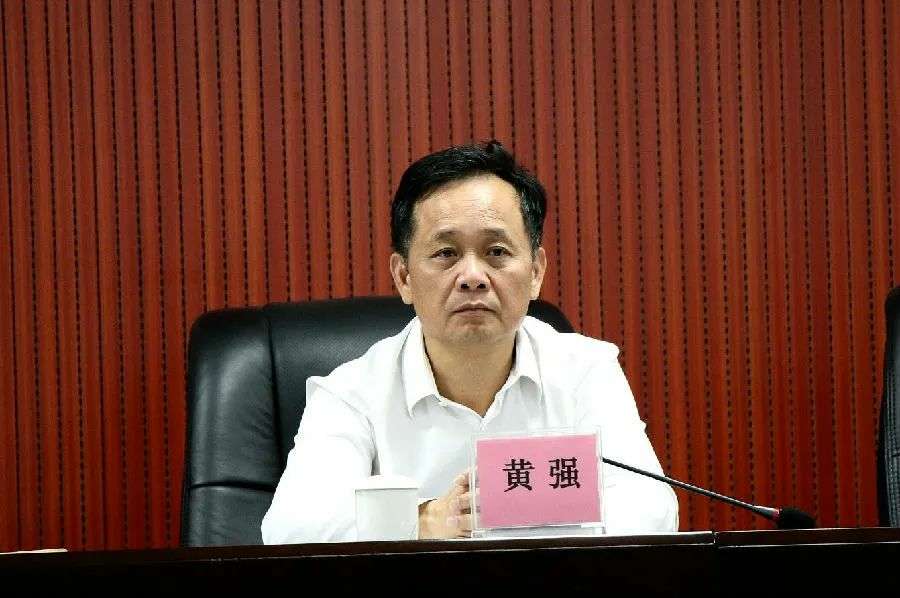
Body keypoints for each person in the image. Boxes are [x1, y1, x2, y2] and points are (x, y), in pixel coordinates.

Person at [261, 141, 678, 543]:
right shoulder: (351, 392)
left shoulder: (586, 370)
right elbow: (290, 531)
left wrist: (512, 516)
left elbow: (653, 512)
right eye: (446, 253)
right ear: (404, 277)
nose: (473, 276)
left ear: (535, 271)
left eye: (496, 251)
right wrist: (424, 521)